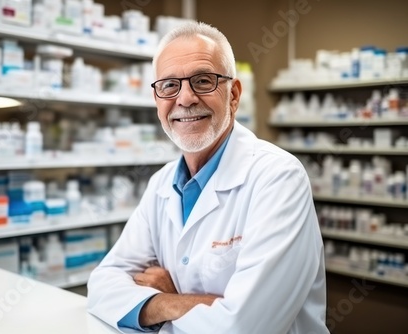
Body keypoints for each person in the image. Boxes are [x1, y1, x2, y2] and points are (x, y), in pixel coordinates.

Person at [87, 21, 329, 334]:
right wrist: (179, 304)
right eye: (169, 85)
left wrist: (169, 297)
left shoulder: (278, 178)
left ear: (234, 95)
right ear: (157, 100)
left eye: (203, 81)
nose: (185, 99)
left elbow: (244, 327)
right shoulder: (162, 184)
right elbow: (102, 285)